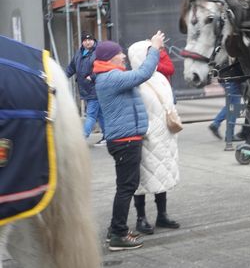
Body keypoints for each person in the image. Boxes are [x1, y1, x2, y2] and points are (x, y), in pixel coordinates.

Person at [93, 31, 164, 251]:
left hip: (126, 140)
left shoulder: (111, 75)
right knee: (126, 187)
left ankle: (117, 229)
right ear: (109, 58)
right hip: (125, 141)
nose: (123, 56)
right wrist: (154, 49)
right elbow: (143, 73)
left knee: (125, 186)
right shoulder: (110, 78)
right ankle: (118, 235)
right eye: (119, 54)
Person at [127, 40, 181, 236]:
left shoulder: (160, 77)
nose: (154, 56)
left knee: (162, 173)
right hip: (145, 137)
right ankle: (141, 217)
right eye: (150, 52)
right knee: (140, 180)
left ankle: (162, 214)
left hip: (165, 136)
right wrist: (143, 131)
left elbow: (170, 103)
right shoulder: (134, 80)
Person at [65, 31, 105, 145]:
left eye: (90, 40)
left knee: (91, 114)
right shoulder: (79, 53)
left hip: (95, 88)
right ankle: (108, 136)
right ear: (82, 42)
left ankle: (82, 137)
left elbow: (103, 67)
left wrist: (92, 77)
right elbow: (71, 68)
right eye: (85, 40)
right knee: (99, 114)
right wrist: (62, 77)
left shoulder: (98, 52)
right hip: (85, 88)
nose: (87, 42)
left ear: (94, 40)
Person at [208, 80, 245, 151]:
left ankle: (227, 132)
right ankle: (227, 133)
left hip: (225, 78)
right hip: (232, 79)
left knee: (232, 104)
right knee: (234, 106)